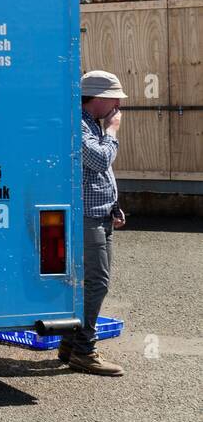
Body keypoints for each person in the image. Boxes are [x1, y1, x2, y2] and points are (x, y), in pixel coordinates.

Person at [62, 70, 128, 376]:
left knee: (85, 282)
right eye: (114, 99)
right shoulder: (79, 124)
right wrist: (112, 130)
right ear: (98, 99)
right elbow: (100, 160)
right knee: (96, 282)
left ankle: (70, 342)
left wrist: (113, 204)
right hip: (88, 217)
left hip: (100, 212)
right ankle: (84, 350)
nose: (118, 105)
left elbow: (98, 173)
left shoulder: (91, 124)